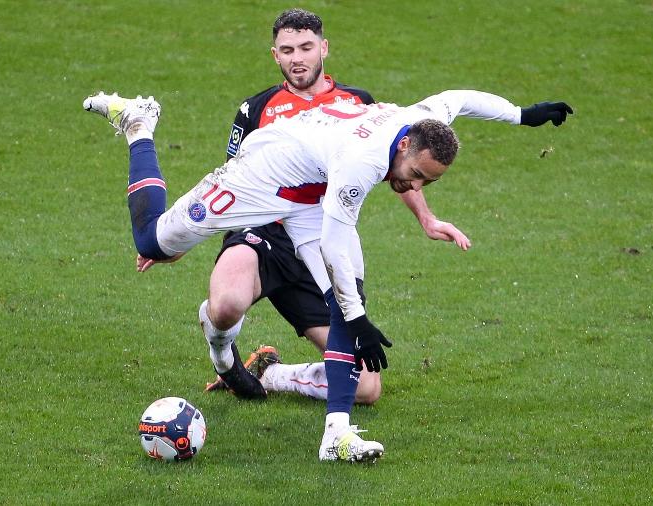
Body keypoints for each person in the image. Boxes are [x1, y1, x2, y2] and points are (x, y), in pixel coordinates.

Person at [82, 88, 572, 461]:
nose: (414, 184)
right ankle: (138, 125)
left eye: (427, 182)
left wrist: (522, 116)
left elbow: (460, 98)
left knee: (345, 296)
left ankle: (336, 434)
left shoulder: (425, 122)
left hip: (311, 194)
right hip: (262, 176)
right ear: (403, 145)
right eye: (415, 173)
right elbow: (337, 240)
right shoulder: (362, 163)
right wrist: (356, 319)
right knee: (151, 242)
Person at [200, 8, 467, 404]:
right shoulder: (255, 109)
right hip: (263, 232)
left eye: (306, 47)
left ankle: (271, 373)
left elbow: (399, 168)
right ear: (275, 55)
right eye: (287, 49)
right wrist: (172, 240)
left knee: (366, 388)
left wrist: (426, 218)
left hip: (320, 243)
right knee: (225, 306)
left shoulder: (359, 103)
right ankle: (226, 363)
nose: (298, 58)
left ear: (323, 48)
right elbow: (231, 179)